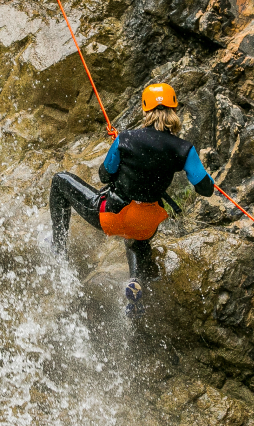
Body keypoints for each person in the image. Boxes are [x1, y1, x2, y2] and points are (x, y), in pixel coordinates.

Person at [48, 82, 215, 316]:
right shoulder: (184, 149)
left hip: (111, 215)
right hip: (144, 224)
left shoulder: (125, 139)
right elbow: (205, 188)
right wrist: (207, 178)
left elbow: (104, 174)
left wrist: (121, 149)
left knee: (60, 180)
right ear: (174, 110)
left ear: (145, 110)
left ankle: (58, 249)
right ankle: (136, 282)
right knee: (137, 238)